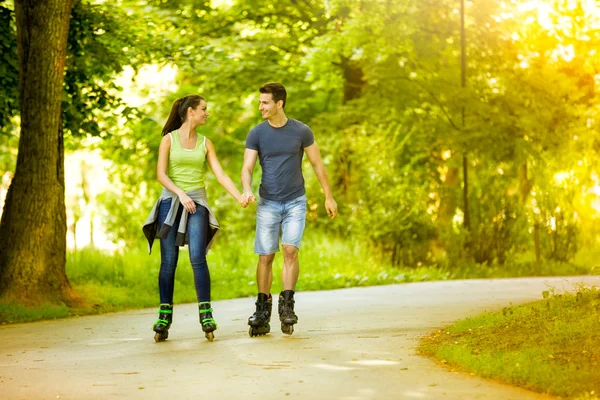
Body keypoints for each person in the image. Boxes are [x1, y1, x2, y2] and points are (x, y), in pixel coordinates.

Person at [143, 94, 248, 342]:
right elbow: (161, 174)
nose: (206, 113)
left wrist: (239, 196)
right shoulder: (168, 140)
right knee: (168, 261)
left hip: (197, 203)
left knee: (197, 257)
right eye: (203, 109)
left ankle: (206, 314)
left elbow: (220, 175)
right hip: (171, 201)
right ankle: (164, 315)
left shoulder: (205, 143)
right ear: (190, 111)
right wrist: (179, 194)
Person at [241, 82, 338, 336]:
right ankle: (262, 309)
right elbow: (248, 167)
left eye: (265, 102)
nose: (260, 106)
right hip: (267, 202)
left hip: (295, 200)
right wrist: (246, 188)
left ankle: (287, 305)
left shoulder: (301, 131)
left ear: (279, 103)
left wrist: (329, 197)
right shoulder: (257, 133)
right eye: (260, 102)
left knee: (290, 251)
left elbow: (317, 164)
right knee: (266, 256)